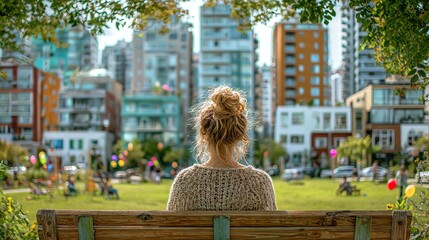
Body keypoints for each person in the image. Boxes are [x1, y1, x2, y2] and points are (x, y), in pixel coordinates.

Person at [167, 86, 277, 211]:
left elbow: (169, 229)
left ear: (203, 132)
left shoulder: (185, 181)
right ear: (240, 135)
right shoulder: (260, 183)